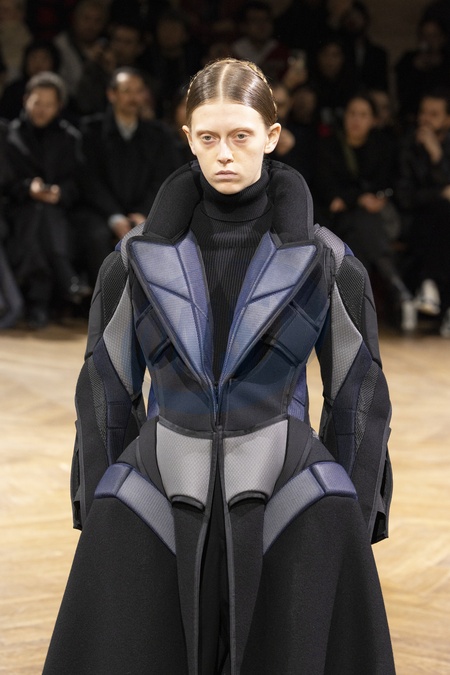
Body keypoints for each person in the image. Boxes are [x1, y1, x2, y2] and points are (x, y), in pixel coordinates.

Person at [43, 58, 395, 674]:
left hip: (289, 491)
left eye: (240, 135)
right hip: (158, 487)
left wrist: (350, 525)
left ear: (272, 136)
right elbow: (105, 391)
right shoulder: (131, 260)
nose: (224, 153)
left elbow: (358, 397)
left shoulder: (329, 262)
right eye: (208, 137)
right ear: (188, 139)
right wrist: (102, 506)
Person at [313, 93, 415, 331]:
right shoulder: (329, 146)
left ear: (373, 120)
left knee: (362, 225)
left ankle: (355, 307)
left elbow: (388, 185)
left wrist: (364, 198)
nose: (356, 120)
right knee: (360, 225)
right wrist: (359, 198)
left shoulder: (383, 147)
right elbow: (327, 190)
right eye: (352, 113)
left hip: (381, 218)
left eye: (363, 115)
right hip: (340, 221)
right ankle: (397, 288)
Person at [73, 66, 180, 286]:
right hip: (101, 212)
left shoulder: (157, 134)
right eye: (126, 91)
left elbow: (162, 177)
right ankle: (105, 297)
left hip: (144, 211)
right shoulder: (90, 132)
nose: (133, 97)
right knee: (96, 235)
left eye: (138, 91)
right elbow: (89, 181)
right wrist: (114, 216)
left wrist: (144, 212)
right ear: (111, 94)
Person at [3, 72, 88, 328]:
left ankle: (37, 302)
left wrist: (60, 193)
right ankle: (62, 279)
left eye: (49, 104)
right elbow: (5, 182)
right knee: (38, 214)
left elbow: (80, 183)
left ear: (59, 106)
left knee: (43, 215)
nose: (41, 110)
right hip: (18, 208)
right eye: (37, 102)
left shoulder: (70, 137)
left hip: (59, 211)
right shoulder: (9, 135)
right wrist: (27, 189)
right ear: (25, 100)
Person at [396, 88, 450, 338]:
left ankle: (430, 285)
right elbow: (405, 197)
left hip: (440, 222)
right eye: (423, 113)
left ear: (447, 120)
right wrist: (439, 194)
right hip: (413, 219)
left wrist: (437, 156)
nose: (425, 119)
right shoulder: (407, 145)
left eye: (434, 114)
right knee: (440, 211)